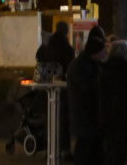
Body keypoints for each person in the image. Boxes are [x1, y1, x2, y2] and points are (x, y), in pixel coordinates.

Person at [36, 20, 75, 156]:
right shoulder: (67, 48)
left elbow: (39, 57)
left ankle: (50, 148)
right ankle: (65, 149)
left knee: (49, 119)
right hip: (62, 88)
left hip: (47, 87)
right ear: (66, 31)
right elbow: (70, 64)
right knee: (64, 119)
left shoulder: (48, 45)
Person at [67, 35, 106, 165]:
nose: (105, 53)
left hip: (89, 117)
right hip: (85, 116)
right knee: (84, 150)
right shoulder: (81, 66)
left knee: (91, 150)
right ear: (95, 52)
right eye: (102, 51)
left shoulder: (91, 64)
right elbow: (86, 88)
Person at [98, 39, 127, 165]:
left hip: (105, 114)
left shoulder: (103, 70)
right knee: (120, 150)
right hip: (123, 116)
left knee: (108, 148)